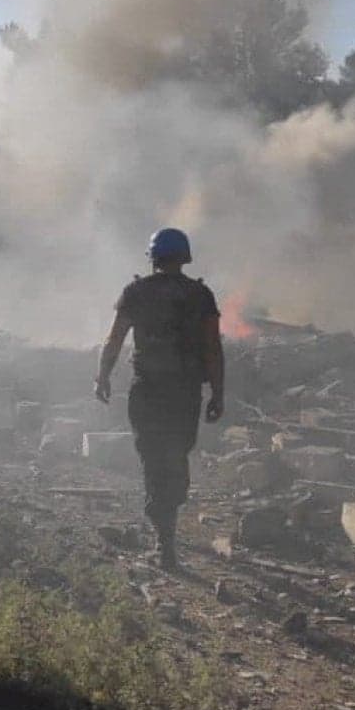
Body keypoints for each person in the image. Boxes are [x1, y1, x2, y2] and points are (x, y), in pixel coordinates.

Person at [94, 227, 224, 570]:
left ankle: (163, 537)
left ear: (153, 258)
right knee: (176, 457)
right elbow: (212, 348)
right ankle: (167, 530)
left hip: (147, 392)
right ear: (184, 258)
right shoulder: (201, 295)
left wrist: (103, 377)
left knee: (153, 460)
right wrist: (218, 393)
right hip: (184, 394)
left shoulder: (136, 292)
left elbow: (114, 340)